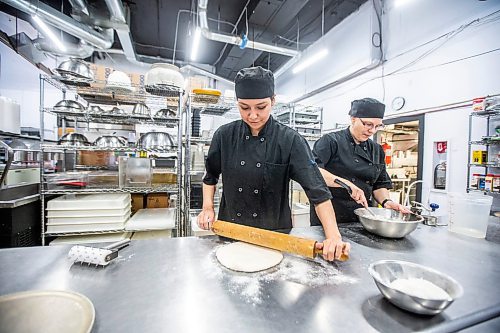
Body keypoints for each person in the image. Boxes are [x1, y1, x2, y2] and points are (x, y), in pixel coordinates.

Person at [197, 66, 350, 261]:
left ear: (273, 101)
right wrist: (207, 207)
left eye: (261, 107)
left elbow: (318, 192)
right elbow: (210, 177)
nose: (253, 115)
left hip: (276, 237)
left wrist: (334, 237)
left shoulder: (290, 141)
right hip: (231, 232)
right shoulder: (224, 136)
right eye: (244, 108)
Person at [311, 98, 410, 225]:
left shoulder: (376, 149)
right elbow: (314, 172)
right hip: (329, 214)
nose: (372, 131)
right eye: (368, 124)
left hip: (363, 216)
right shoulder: (330, 141)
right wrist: (347, 184)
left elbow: (380, 184)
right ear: (353, 119)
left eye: (377, 126)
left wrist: (387, 202)